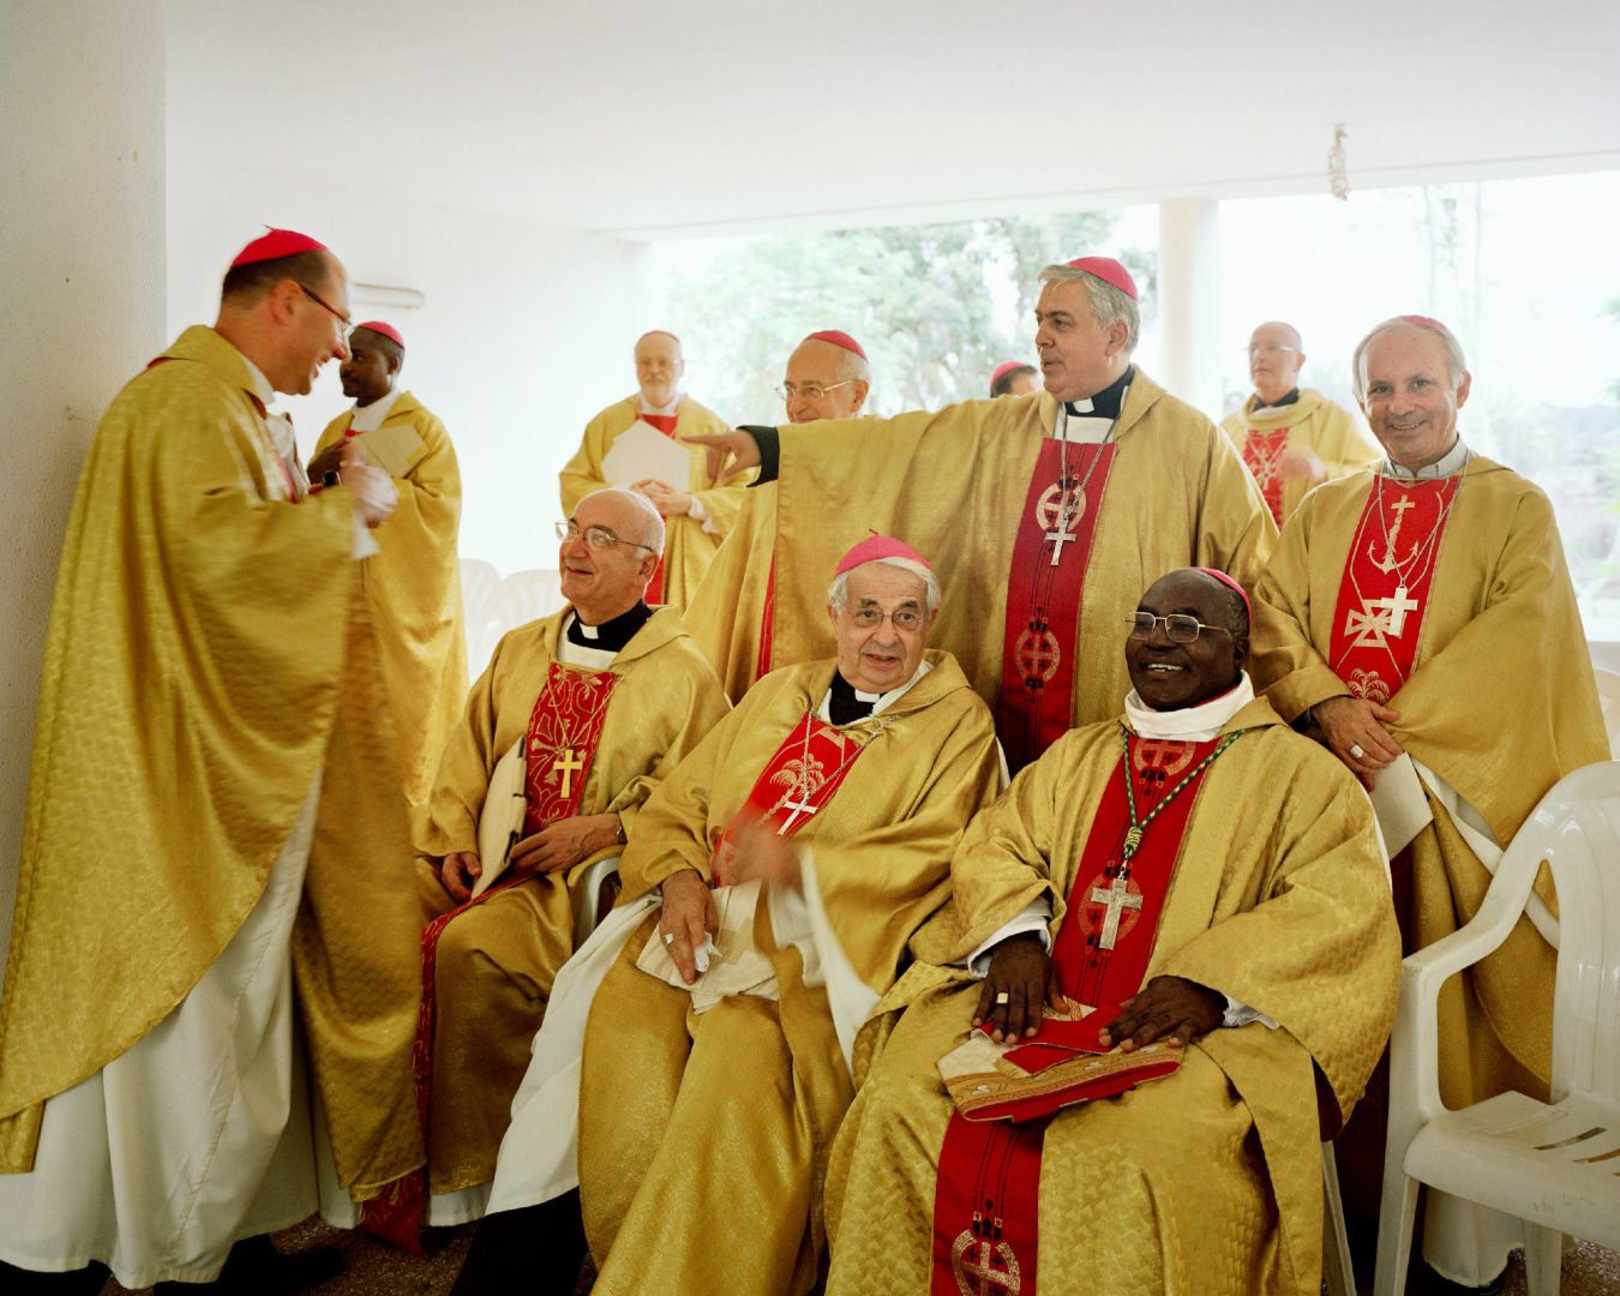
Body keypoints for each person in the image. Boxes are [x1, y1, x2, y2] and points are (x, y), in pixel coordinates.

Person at [0, 229, 396, 1291]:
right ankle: (166, 1248)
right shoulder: (186, 404)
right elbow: (219, 569)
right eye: (335, 325)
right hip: (185, 759)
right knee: (189, 1005)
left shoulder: (229, 408)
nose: (337, 354)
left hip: (197, 737)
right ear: (283, 303)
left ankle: (210, 1228)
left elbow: (225, 559)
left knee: (226, 1006)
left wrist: (319, 514)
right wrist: (342, 520)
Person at [454, 535, 1003, 1296]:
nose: (884, 636)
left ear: (931, 623)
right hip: (692, 925)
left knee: (733, 1071)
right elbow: (682, 797)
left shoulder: (957, 724)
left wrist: (806, 868)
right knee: (596, 1038)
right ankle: (515, 1281)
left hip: (817, 960)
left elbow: (939, 853)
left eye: (906, 618)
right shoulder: (781, 692)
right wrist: (678, 878)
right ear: (834, 615)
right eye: (867, 613)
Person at [825, 568, 1399, 1296]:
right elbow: (995, 845)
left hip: (1199, 1031)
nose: (1160, 641)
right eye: (1146, 621)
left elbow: (1339, 907)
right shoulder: (1079, 755)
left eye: (1188, 627)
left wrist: (1211, 986)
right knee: (900, 1099)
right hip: (1044, 997)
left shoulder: (1302, 776)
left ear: (1241, 649)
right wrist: (1014, 939)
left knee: (1127, 1153)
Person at [1250, 314, 1608, 1290]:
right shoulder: (1326, 512)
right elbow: (1270, 612)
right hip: (1328, 800)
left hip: (1447, 805)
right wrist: (1325, 704)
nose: (1400, 407)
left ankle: (1454, 1237)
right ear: (1357, 399)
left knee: (1437, 1006)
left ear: (1462, 386)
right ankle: (1341, 1218)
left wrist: (1392, 734)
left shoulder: (1516, 507)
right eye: (1380, 390)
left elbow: (1517, 647)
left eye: (1419, 386)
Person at [688, 257, 1276, 772]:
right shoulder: (1004, 426)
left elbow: (1252, 577)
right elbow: (899, 445)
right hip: (1003, 696)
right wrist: (770, 446)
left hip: (1116, 701)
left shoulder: (1189, 441)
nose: (1041, 337)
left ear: (1116, 334)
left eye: (1060, 322)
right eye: (1040, 321)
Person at [407, 487, 728, 1230]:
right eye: (573, 530)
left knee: (472, 949)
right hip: (486, 860)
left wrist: (610, 826)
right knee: (375, 922)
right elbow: (465, 754)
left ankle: (488, 1184)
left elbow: (702, 796)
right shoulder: (521, 645)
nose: (575, 548)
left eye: (602, 538)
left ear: (647, 568)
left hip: (581, 885)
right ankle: (394, 1166)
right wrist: (456, 835)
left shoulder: (681, 673)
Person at [307, 320, 467, 841]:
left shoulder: (424, 430)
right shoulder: (335, 429)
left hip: (398, 603)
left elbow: (440, 511)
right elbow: (312, 499)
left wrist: (372, 489)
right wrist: (316, 471)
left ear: (392, 366)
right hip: (336, 594)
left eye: (360, 358)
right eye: (345, 357)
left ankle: (401, 835)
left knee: (395, 728)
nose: (345, 366)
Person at [683, 329, 873, 700]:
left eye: (812, 391)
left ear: (857, 395)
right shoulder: (777, 464)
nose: (795, 406)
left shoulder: (881, 466)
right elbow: (738, 572)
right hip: (768, 649)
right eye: (790, 390)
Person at [558, 330, 752, 607]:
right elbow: (573, 480)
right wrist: (624, 497)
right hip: (618, 550)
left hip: (686, 560)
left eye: (664, 362)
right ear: (635, 367)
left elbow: (743, 493)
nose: (654, 370)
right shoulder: (607, 423)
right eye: (645, 363)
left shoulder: (711, 427)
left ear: (681, 367)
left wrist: (689, 502)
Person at [1221, 320, 1380, 527]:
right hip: (1240, 556)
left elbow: (1375, 479)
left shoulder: (1333, 420)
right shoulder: (1228, 429)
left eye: (1272, 347)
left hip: (1305, 553)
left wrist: (1324, 472)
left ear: (1298, 361)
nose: (1259, 355)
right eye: (1253, 349)